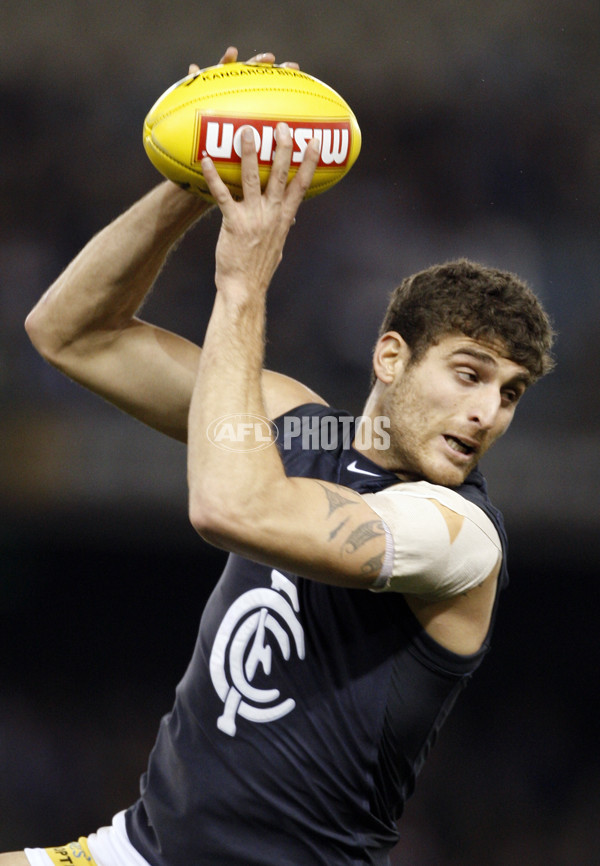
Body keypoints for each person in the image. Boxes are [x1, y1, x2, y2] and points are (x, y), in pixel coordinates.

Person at [5, 45, 554, 866]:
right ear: (391, 358)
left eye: (509, 393)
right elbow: (71, 333)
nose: (485, 412)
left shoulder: (456, 533)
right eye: (470, 374)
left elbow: (231, 508)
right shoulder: (297, 424)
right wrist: (197, 182)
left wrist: (242, 285)